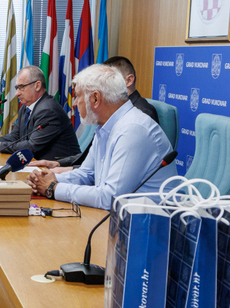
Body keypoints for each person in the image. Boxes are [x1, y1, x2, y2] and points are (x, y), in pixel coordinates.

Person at [27, 64, 175, 210]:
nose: (75, 103)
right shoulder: (105, 127)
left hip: (150, 221)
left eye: (77, 96)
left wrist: (54, 187)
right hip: (120, 217)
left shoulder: (133, 130)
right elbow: (87, 174)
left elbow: (110, 198)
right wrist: (46, 179)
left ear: (96, 98)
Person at [38, 55, 161, 173]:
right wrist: (59, 164)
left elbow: (113, 174)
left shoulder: (139, 116)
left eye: (112, 78)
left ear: (128, 80)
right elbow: (93, 160)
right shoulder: (109, 115)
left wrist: (66, 174)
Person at [0, 65, 79, 161]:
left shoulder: (48, 110)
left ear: (37, 86)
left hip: (59, 167)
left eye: (21, 87)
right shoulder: (26, 106)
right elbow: (16, 136)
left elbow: (32, 146)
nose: (17, 93)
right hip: (37, 164)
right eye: (17, 88)